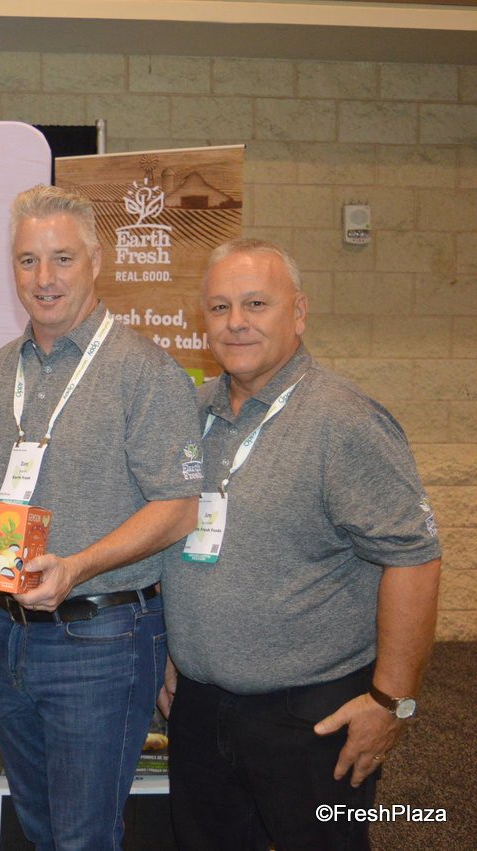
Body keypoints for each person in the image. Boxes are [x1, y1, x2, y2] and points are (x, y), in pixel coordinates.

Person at [159, 238, 442, 851]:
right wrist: (173, 652)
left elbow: (415, 560)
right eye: (219, 307)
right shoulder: (191, 415)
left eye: (256, 303)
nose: (235, 322)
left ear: (300, 313)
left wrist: (392, 702)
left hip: (312, 717)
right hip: (199, 707)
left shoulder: (346, 421)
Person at [0, 184, 203, 849]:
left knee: (82, 837)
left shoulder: (144, 372)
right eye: (28, 260)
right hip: (7, 633)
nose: (44, 278)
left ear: (96, 262)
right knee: (40, 829)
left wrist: (76, 565)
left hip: (102, 636)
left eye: (62, 258)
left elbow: (179, 508)